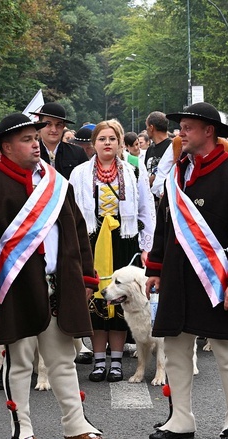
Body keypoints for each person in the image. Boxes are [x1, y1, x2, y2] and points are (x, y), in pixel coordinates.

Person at [0, 112, 108, 439]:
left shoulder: (56, 183)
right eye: (28, 139)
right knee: (19, 361)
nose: (36, 144)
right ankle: (22, 430)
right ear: (8, 147)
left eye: (35, 138)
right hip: (13, 287)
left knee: (62, 360)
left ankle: (75, 425)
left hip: (58, 284)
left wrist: (86, 277)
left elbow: (77, 232)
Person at [144, 102, 228, 439]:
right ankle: (180, 418)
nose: (181, 134)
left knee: (225, 352)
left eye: (188, 128)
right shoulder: (178, 173)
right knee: (176, 348)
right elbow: (165, 224)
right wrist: (156, 267)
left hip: (217, 280)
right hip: (178, 277)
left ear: (208, 131)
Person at [69, 120, 155, 382]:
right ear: (93, 143)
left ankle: (116, 359)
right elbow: (72, 213)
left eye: (112, 139)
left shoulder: (133, 171)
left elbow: (147, 209)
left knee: (121, 300)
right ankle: (98, 360)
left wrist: (147, 248)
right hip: (92, 240)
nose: (107, 143)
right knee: (96, 297)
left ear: (120, 144)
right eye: (102, 139)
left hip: (124, 240)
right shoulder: (79, 173)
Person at [32, 102, 88, 179]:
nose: (54, 130)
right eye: (48, 124)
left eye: (58, 124)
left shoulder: (77, 153)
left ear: (64, 126)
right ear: (39, 125)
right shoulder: (31, 153)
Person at [144, 111, 172, 190]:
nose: (146, 129)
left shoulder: (172, 148)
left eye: (147, 126)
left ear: (151, 128)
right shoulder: (150, 149)